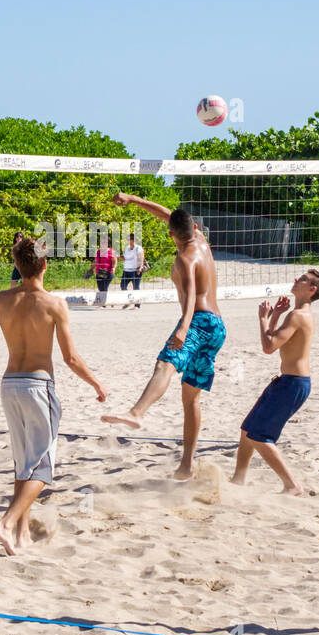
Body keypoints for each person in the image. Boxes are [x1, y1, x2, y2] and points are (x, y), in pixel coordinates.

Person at [0, 236, 107, 555]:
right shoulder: (54, 304)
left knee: (24, 463)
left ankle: (20, 534)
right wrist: (97, 385)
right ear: (45, 265)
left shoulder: (0, 299)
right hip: (38, 386)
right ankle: (7, 523)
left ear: (17, 266)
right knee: (43, 467)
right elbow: (71, 359)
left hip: (9, 385)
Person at [102, 195, 226, 481]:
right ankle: (186, 465)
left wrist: (183, 327)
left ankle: (137, 412)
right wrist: (132, 200)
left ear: (170, 234)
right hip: (218, 327)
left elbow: (192, 293)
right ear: (194, 226)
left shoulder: (185, 257)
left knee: (165, 364)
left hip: (198, 321)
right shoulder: (201, 240)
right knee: (191, 399)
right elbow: (167, 214)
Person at [231, 270, 319, 494]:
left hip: (293, 384)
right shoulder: (297, 313)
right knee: (247, 430)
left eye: (302, 279)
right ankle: (238, 479)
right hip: (287, 381)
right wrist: (275, 316)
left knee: (260, 436)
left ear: (311, 290)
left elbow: (268, 346)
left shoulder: (298, 316)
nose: (296, 280)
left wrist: (263, 318)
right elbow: (275, 340)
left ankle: (292, 485)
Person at [121, 231, 146, 309]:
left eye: (128, 239)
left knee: (136, 287)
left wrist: (140, 267)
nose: (127, 241)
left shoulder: (138, 248)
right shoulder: (127, 248)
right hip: (126, 270)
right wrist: (118, 257)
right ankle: (128, 301)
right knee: (122, 286)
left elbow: (141, 258)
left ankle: (137, 305)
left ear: (133, 240)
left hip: (135, 270)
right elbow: (125, 258)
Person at [90, 234, 117, 306]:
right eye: (101, 242)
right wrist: (91, 269)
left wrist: (114, 268)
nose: (102, 243)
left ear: (108, 243)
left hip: (108, 271)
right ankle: (109, 301)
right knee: (100, 287)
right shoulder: (99, 251)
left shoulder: (111, 251)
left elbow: (114, 261)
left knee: (104, 287)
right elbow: (95, 261)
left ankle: (103, 303)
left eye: (104, 242)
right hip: (100, 271)